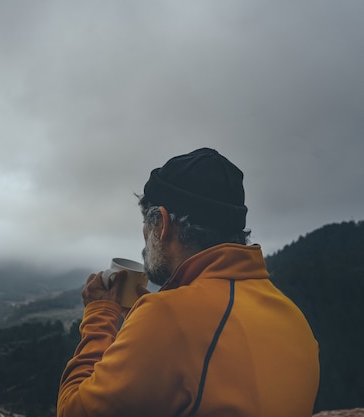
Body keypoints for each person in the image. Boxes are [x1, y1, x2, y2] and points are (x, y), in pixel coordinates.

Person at [57, 148, 319, 417]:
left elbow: (73, 411)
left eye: (146, 224)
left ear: (162, 224)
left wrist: (100, 316)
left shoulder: (167, 317)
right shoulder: (293, 318)